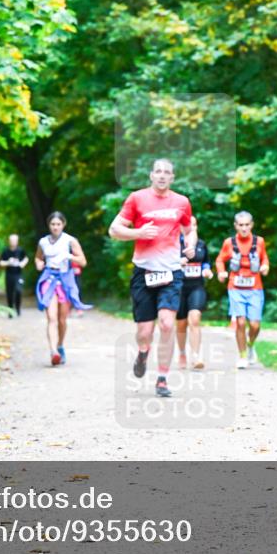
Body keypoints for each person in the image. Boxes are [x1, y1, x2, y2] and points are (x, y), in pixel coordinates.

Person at [108, 158, 196, 397]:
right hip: (143, 273)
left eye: (167, 172)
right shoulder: (136, 198)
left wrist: (190, 245)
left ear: (172, 178)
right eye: (158, 171)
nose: (162, 175)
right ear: (151, 175)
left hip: (171, 272)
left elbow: (190, 229)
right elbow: (114, 229)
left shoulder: (181, 202)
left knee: (167, 324)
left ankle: (163, 379)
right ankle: (143, 352)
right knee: (144, 332)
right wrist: (138, 232)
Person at [35, 212, 91, 366]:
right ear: (49, 225)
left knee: (61, 319)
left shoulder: (70, 241)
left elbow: (83, 261)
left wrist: (69, 256)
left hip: (65, 280)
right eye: (52, 224)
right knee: (51, 318)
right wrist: (39, 263)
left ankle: (60, 346)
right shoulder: (43, 242)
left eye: (58, 224)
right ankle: (53, 351)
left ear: (63, 224)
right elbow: (38, 257)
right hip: (49, 279)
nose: (55, 227)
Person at [215, 211, 269, 369]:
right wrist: (221, 272)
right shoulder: (229, 243)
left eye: (247, 225)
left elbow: (264, 257)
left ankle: (251, 345)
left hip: (255, 288)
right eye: (241, 225)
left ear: (251, 225)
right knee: (240, 322)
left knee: (255, 325)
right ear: (235, 226)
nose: (244, 228)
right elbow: (220, 259)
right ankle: (243, 356)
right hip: (235, 287)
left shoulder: (259, 242)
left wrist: (265, 266)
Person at [176, 226, 213, 369]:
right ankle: (182, 353)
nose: (190, 228)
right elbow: (164, 262)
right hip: (178, 288)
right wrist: (177, 263)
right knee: (181, 323)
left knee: (195, 318)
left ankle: (196, 356)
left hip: (197, 287)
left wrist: (206, 270)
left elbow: (206, 262)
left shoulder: (201, 244)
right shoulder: (174, 244)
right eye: (186, 225)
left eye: (193, 225)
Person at [0, 234, 29, 317]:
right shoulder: (5, 251)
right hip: (9, 274)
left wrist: (22, 263)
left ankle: (18, 308)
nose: (13, 242)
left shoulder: (21, 250)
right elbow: (1, 263)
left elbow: (26, 258)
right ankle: (10, 310)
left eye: (15, 240)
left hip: (18, 274)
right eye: (11, 240)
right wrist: (8, 262)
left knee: (18, 291)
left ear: (17, 241)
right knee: (9, 293)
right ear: (9, 241)